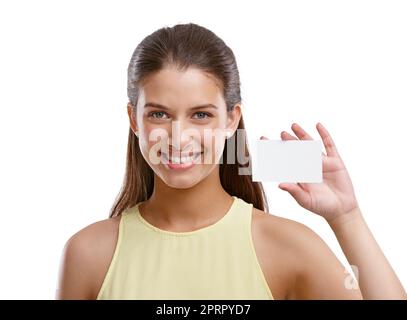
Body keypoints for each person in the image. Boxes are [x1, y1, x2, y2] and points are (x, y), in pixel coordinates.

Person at [56, 23, 406, 300]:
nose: (179, 137)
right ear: (134, 120)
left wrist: (347, 217)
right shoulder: (89, 255)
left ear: (231, 119)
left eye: (201, 115)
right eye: (159, 114)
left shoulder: (285, 247)